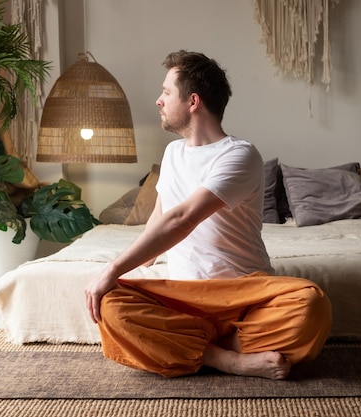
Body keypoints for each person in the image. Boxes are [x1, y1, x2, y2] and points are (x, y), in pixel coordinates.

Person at [84, 50, 331, 380]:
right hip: (183, 298)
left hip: (246, 294)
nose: (158, 101)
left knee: (311, 306)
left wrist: (113, 268)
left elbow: (182, 218)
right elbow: (159, 222)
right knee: (111, 305)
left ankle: (187, 346)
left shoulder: (240, 155)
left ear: (193, 101)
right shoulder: (172, 153)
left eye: (166, 92)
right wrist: (121, 274)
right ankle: (227, 358)